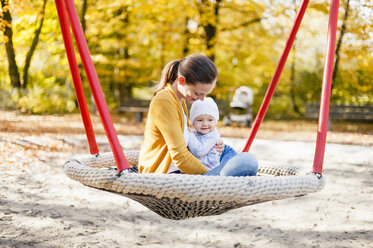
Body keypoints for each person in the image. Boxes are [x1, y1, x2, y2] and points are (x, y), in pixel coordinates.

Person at [138, 53, 258, 176]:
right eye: (198, 93)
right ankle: (221, 181)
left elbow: (186, 139)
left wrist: (213, 147)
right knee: (248, 162)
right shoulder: (164, 101)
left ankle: (222, 178)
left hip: (182, 170)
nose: (201, 99)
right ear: (181, 81)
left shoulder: (179, 100)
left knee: (227, 151)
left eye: (205, 94)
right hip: (166, 174)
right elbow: (180, 157)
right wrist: (211, 176)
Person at [188, 97, 236, 170]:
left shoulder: (213, 136)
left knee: (228, 168)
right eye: (200, 120)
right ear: (193, 122)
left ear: (215, 121)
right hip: (198, 167)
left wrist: (188, 134)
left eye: (210, 120)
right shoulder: (195, 133)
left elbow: (199, 151)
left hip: (210, 169)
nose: (205, 124)